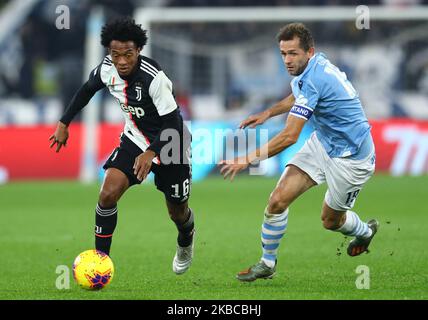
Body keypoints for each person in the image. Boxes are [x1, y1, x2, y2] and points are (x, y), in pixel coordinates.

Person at [219, 23, 379, 282]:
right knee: (277, 201)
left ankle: (364, 231)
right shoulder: (315, 66)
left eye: (293, 53)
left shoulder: (315, 79)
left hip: (351, 158)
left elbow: (289, 136)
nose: (287, 60)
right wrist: (268, 113)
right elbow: (298, 95)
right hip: (324, 142)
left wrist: (246, 159)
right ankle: (267, 263)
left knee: (330, 221)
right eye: (283, 54)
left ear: (309, 51)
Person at [49, 17, 195, 275]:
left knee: (177, 211)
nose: (122, 61)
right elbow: (87, 90)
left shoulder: (154, 77)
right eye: (115, 55)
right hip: (135, 139)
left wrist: (152, 153)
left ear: (138, 50)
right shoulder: (107, 68)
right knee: (107, 193)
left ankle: (186, 239)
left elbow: (173, 121)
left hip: (172, 143)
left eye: (128, 54)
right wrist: (64, 122)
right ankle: (99, 262)